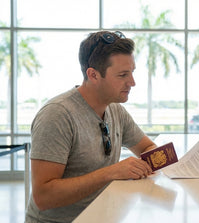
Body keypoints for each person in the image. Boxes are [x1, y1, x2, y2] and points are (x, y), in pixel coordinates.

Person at [25, 31, 157, 222]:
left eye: (132, 72)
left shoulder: (115, 110)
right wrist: (112, 172)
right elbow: (43, 197)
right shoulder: (57, 115)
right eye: (122, 75)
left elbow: (147, 148)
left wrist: (144, 164)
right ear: (93, 75)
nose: (132, 83)